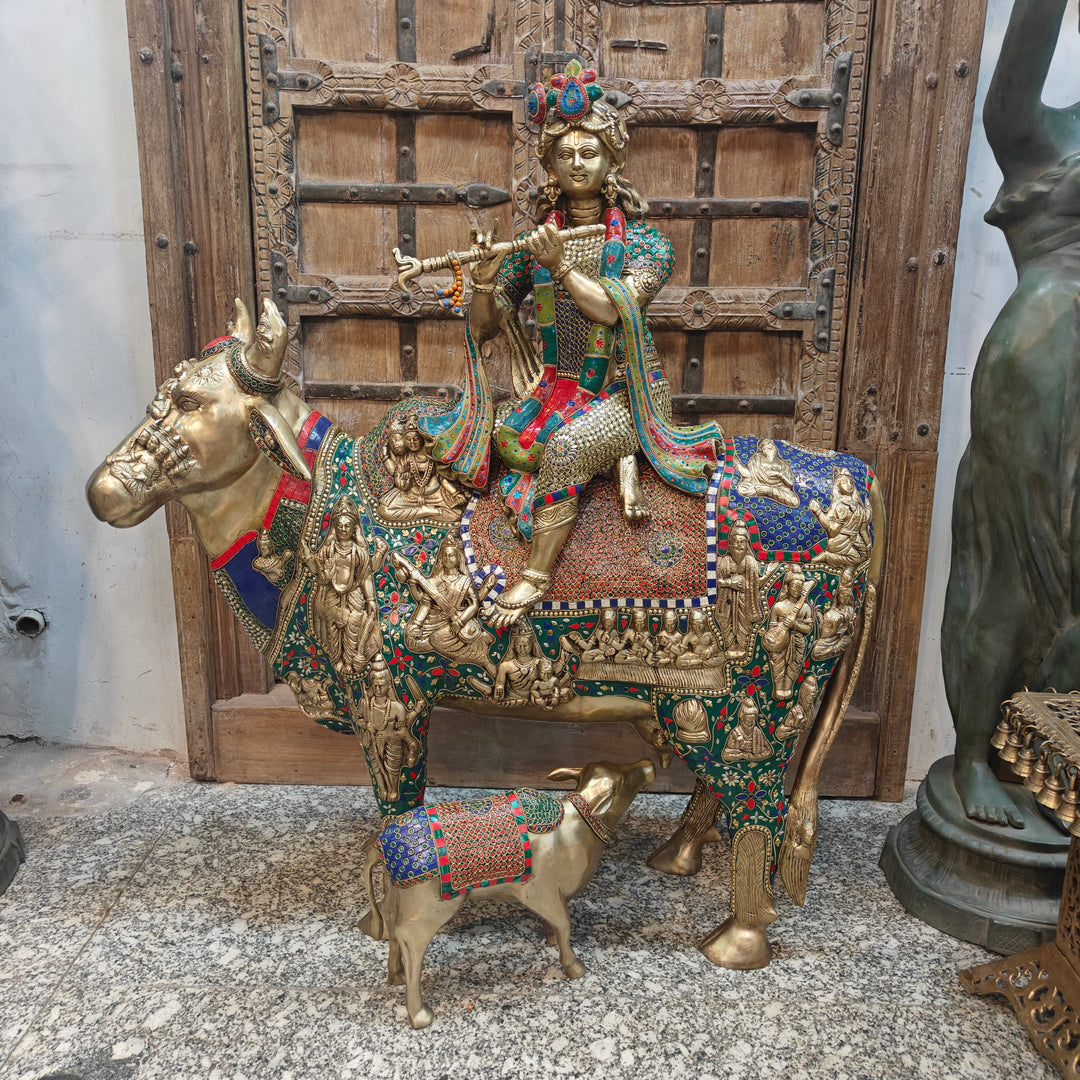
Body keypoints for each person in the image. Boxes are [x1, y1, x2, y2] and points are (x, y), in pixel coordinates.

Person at [467, 61, 721, 624]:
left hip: (622, 395)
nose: (577, 162)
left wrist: (559, 268)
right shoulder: (536, 244)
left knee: (561, 450)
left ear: (611, 160)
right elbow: (486, 327)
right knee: (489, 433)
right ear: (550, 167)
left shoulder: (647, 245)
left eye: (589, 152)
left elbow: (610, 308)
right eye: (565, 153)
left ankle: (535, 577)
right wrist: (485, 281)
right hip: (556, 389)